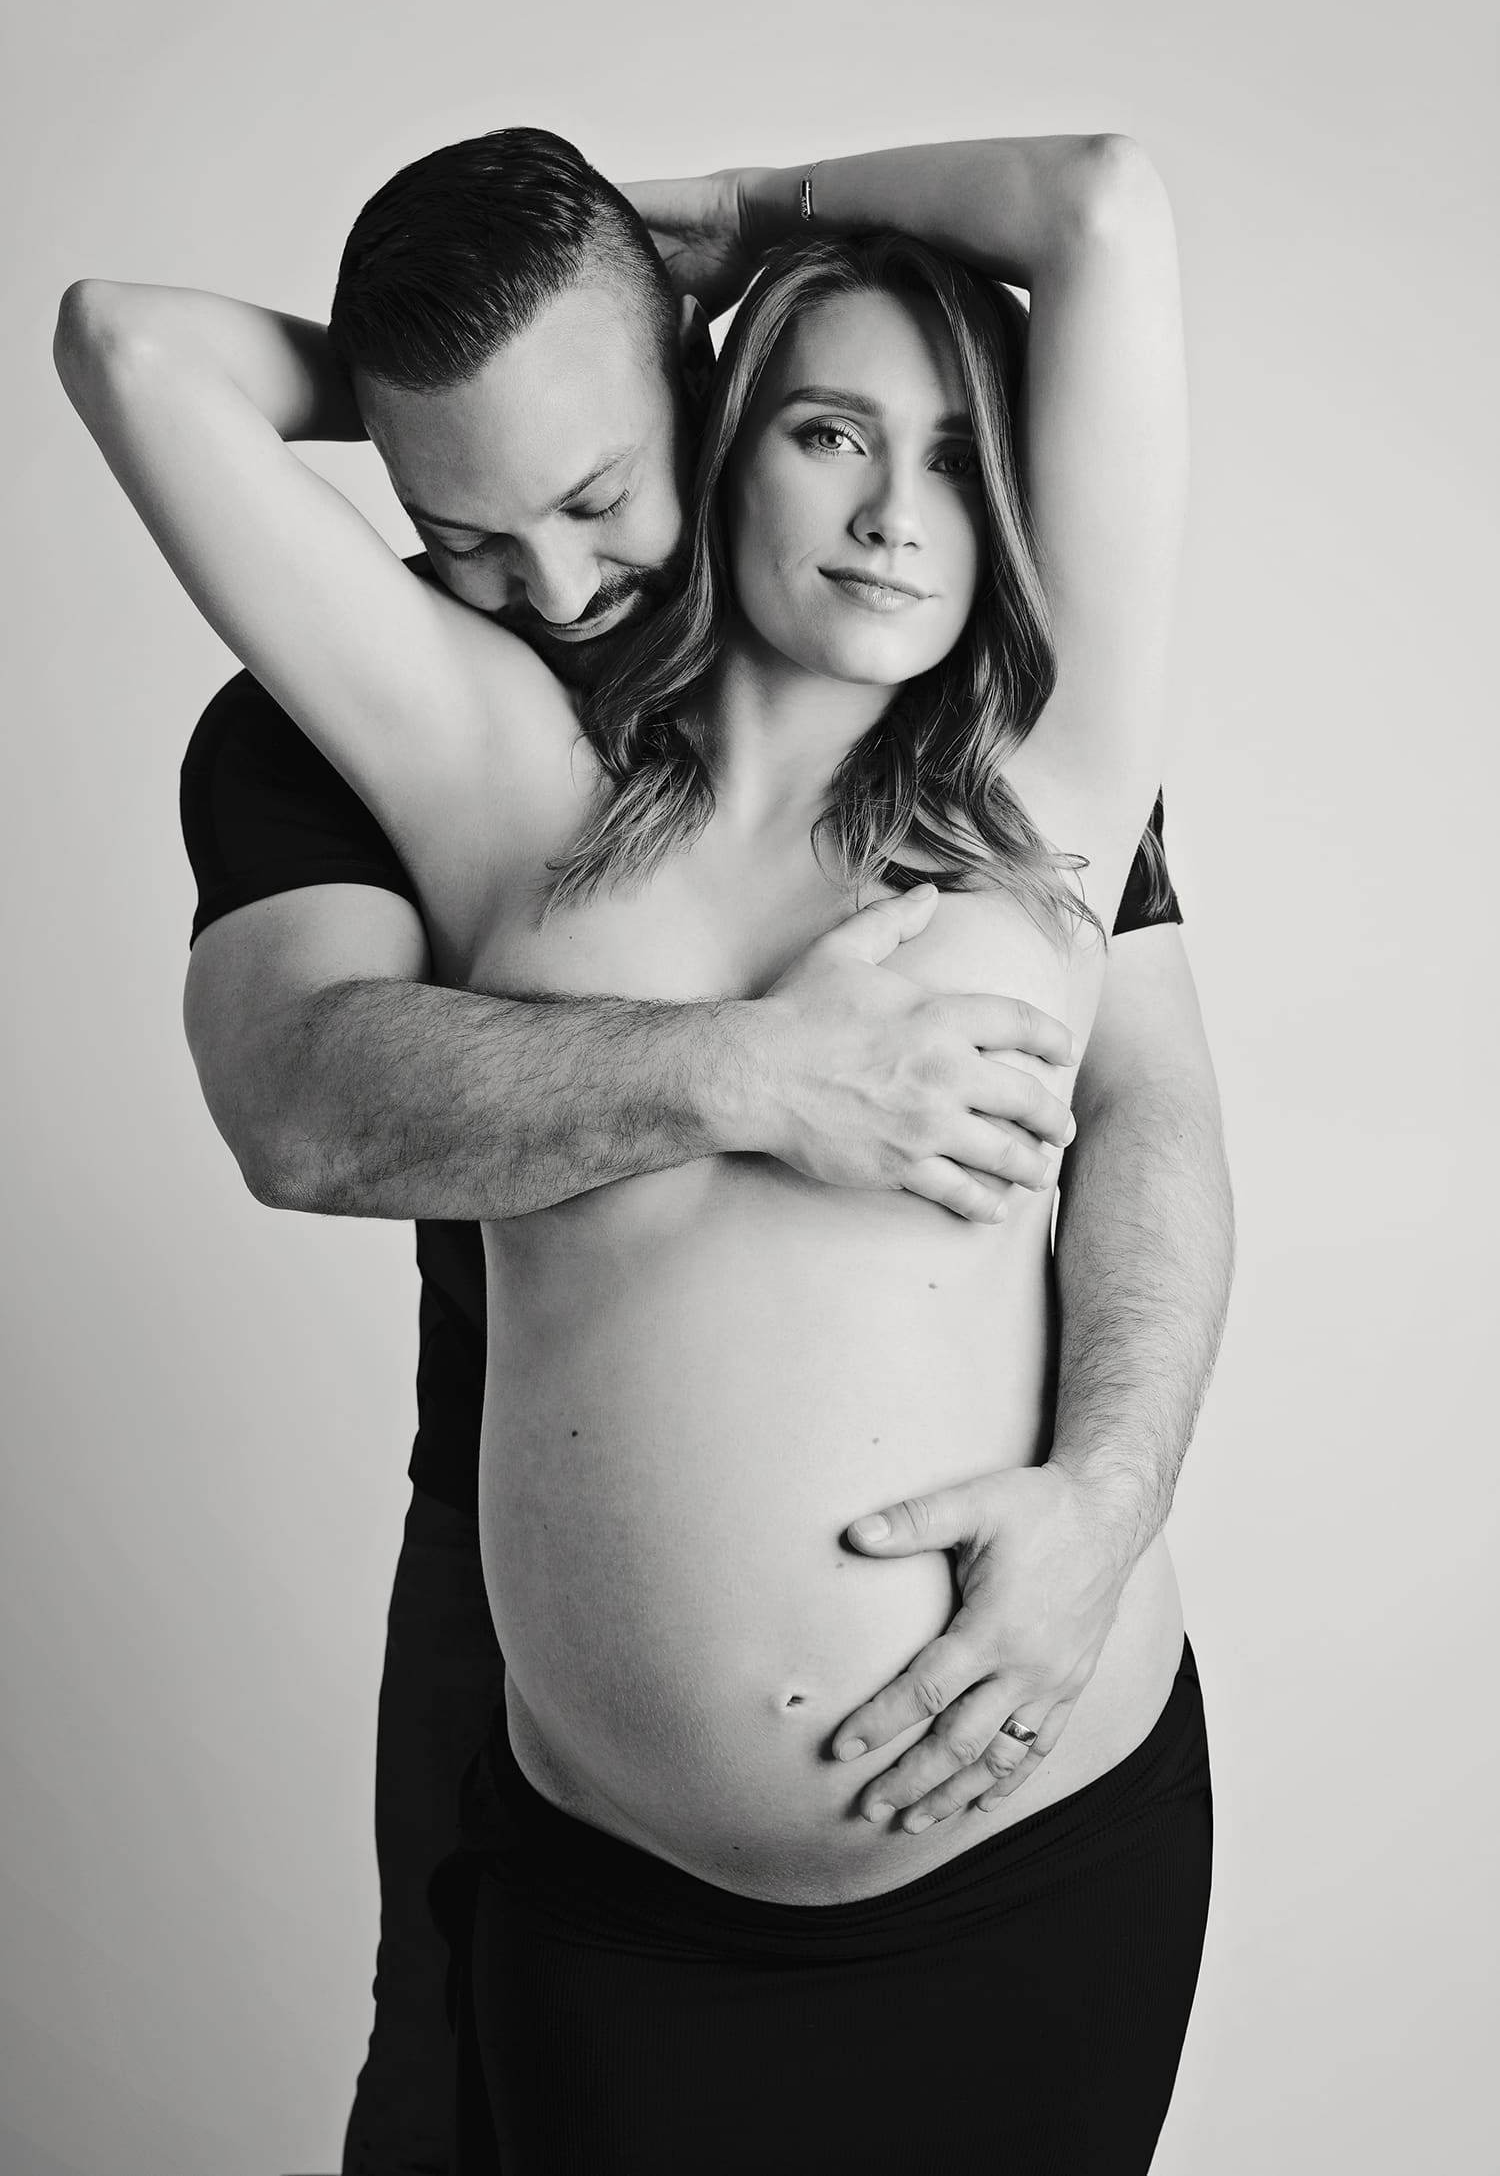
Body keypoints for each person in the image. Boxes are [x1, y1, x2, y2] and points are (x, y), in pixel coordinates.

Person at [59, 129, 1231, 2173]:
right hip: (618, 1888)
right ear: (736, 421)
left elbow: (1104, 205)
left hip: (1044, 1862)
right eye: (830, 432)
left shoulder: (1046, 793)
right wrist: (520, 386)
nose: (891, 514)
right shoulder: (506, 781)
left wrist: (752, 219)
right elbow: (130, 354)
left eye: (958, 459)